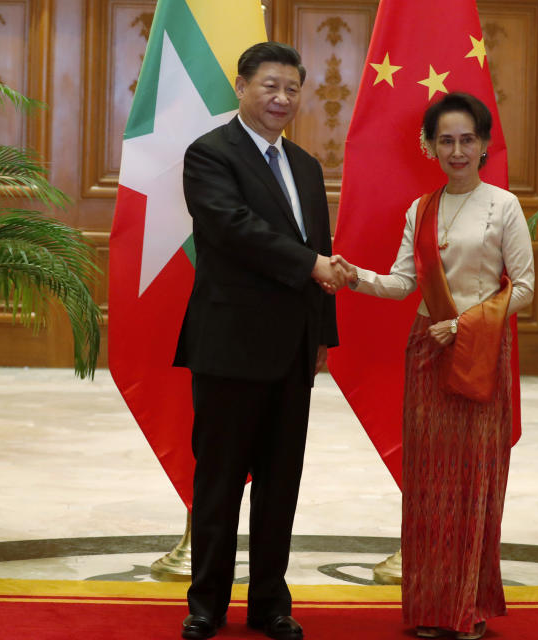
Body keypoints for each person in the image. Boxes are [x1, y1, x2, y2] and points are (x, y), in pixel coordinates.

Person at [333, 93, 534, 640]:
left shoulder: (504, 206)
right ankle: (429, 606)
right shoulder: (419, 209)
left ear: (485, 144)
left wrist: (466, 324)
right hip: (427, 349)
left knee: (472, 483)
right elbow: (404, 283)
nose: (457, 149)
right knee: (428, 484)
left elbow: (527, 288)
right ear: (430, 147)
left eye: (467, 139)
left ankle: (466, 608)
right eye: (445, 140)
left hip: (480, 351)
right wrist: (355, 276)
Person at [173, 41, 347, 640]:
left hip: (292, 349)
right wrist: (311, 266)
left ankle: (271, 603)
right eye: (270, 85)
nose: (282, 98)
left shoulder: (304, 164)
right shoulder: (209, 154)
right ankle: (207, 607)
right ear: (241, 86)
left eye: (293, 88)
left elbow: (318, 247)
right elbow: (232, 229)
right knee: (218, 483)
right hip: (229, 344)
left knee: (281, 485)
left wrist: (322, 335)